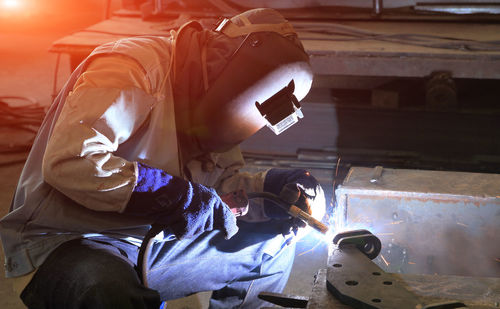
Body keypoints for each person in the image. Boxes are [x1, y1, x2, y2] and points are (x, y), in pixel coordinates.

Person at [0, 8, 326, 309]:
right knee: (108, 288)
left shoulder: (212, 98)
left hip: (152, 241)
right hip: (69, 240)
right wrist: (175, 197)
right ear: (224, 65)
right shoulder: (132, 67)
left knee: (272, 243)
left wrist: (270, 192)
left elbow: (215, 190)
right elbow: (71, 161)